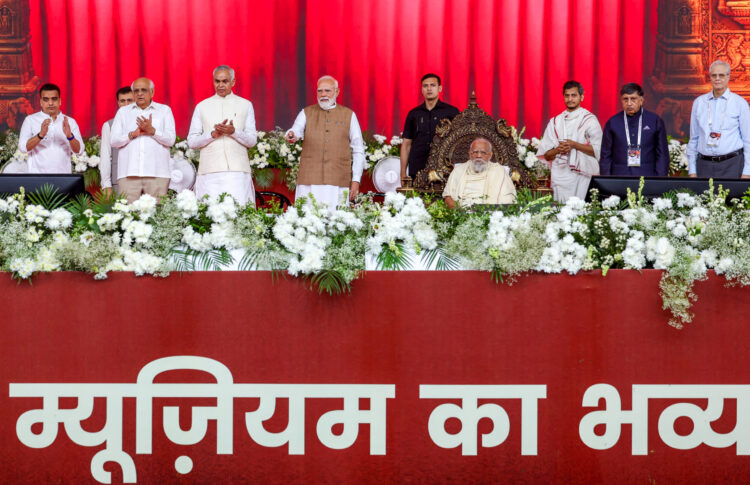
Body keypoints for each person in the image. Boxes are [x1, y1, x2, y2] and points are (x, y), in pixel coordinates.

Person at [285, 75, 365, 211]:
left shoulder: (349, 115)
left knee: (335, 219)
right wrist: (291, 135)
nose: (323, 94)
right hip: (309, 179)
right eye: (320, 91)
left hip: (338, 179)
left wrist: (356, 180)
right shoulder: (306, 113)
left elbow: (358, 149)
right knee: (307, 217)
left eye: (327, 91)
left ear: (337, 92)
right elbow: (296, 130)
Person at [187, 65, 257, 205]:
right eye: (217, 81)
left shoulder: (245, 105)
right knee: (209, 213)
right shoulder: (202, 106)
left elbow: (252, 141)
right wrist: (212, 134)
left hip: (237, 172)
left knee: (240, 211)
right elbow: (192, 142)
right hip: (209, 172)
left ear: (233, 82)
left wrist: (234, 132)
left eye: (225, 81)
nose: (220, 85)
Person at [110, 77, 176, 203]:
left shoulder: (164, 111)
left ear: (152, 92)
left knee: (157, 213)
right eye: (136, 91)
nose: (140, 93)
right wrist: (132, 134)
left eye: (144, 90)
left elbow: (170, 140)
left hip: (158, 173)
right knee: (127, 213)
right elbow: (113, 141)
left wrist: (153, 131)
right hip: (128, 173)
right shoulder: (123, 112)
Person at [536, 81, 602, 202]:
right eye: (567, 95)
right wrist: (558, 150)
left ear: (581, 97)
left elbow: (598, 150)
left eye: (574, 95)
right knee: (560, 211)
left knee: (582, 211)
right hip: (560, 176)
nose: (570, 99)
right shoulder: (555, 122)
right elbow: (546, 155)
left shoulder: (589, 120)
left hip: (583, 175)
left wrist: (574, 145)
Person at [687, 60, 750, 179]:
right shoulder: (699, 103)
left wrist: (747, 172)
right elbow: (694, 139)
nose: (717, 79)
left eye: (721, 75)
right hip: (704, 165)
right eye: (714, 75)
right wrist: (692, 170)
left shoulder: (740, 103)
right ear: (710, 77)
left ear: (728, 77)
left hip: (732, 164)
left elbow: (748, 140)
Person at [600, 83, 669, 177]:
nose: (629, 103)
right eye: (625, 99)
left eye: (633, 99)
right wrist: (606, 180)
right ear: (621, 101)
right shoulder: (613, 122)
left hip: (647, 176)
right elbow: (605, 155)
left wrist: (659, 180)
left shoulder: (654, 120)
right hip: (619, 176)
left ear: (641, 100)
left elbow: (662, 154)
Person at [400, 73, 460, 179]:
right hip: (418, 167)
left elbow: (459, 142)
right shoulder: (414, 114)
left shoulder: (452, 112)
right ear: (422, 90)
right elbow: (406, 145)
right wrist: (403, 173)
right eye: (425, 86)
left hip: (443, 168)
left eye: (432, 85)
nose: (429, 89)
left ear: (439, 88)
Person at [18, 83, 84, 173]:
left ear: (60, 101)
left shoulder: (70, 122)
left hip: (63, 177)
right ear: (40, 102)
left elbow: (79, 151)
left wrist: (70, 136)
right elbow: (23, 148)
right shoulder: (30, 120)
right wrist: (40, 135)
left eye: (54, 99)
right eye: (46, 99)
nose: (50, 103)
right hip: (37, 176)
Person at [443, 137, 516, 208]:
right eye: (475, 152)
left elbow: (508, 200)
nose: (479, 156)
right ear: (470, 153)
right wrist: (459, 211)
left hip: (489, 213)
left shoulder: (499, 172)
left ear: (490, 155)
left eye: (483, 152)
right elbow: (448, 197)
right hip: (460, 212)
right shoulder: (458, 170)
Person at [100, 86, 134, 194]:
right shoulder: (109, 125)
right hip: (118, 182)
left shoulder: (144, 124)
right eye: (122, 101)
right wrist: (106, 185)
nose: (126, 104)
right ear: (118, 103)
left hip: (143, 181)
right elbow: (105, 157)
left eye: (130, 100)